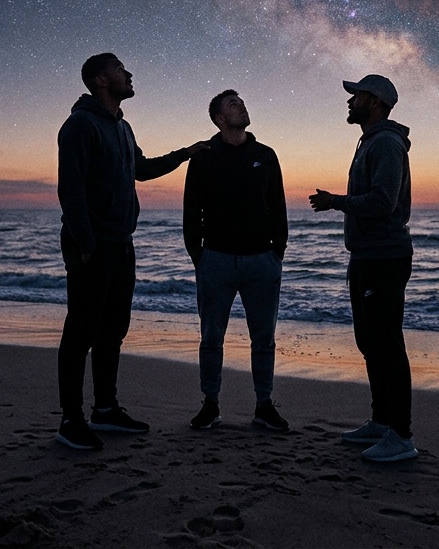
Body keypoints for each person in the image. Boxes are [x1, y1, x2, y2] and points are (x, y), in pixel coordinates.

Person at [55, 53, 208, 451]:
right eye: (122, 69)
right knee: (80, 332)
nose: (130, 73)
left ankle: (105, 410)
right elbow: (70, 193)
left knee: (113, 330)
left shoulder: (122, 127)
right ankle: (70, 420)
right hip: (93, 247)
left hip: (122, 242)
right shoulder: (79, 125)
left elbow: (142, 169)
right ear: (102, 80)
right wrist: (87, 247)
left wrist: (185, 154)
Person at [308, 74, 417, 462]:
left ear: (376, 101)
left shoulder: (386, 143)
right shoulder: (371, 141)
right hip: (367, 256)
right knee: (370, 343)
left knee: (386, 345)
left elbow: (383, 201)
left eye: (356, 96)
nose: (350, 102)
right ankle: (382, 420)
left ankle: (401, 435)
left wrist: (336, 201)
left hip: (384, 257)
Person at [182, 90, 290, 432]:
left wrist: (277, 251)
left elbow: (277, 206)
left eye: (242, 101)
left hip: (261, 260)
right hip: (215, 260)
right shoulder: (204, 157)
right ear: (219, 117)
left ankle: (264, 405)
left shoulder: (266, 155)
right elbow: (191, 211)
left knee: (264, 339)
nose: (242, 105)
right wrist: (199, 255)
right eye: (233, 103)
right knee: (212, 337)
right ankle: (210, 404)